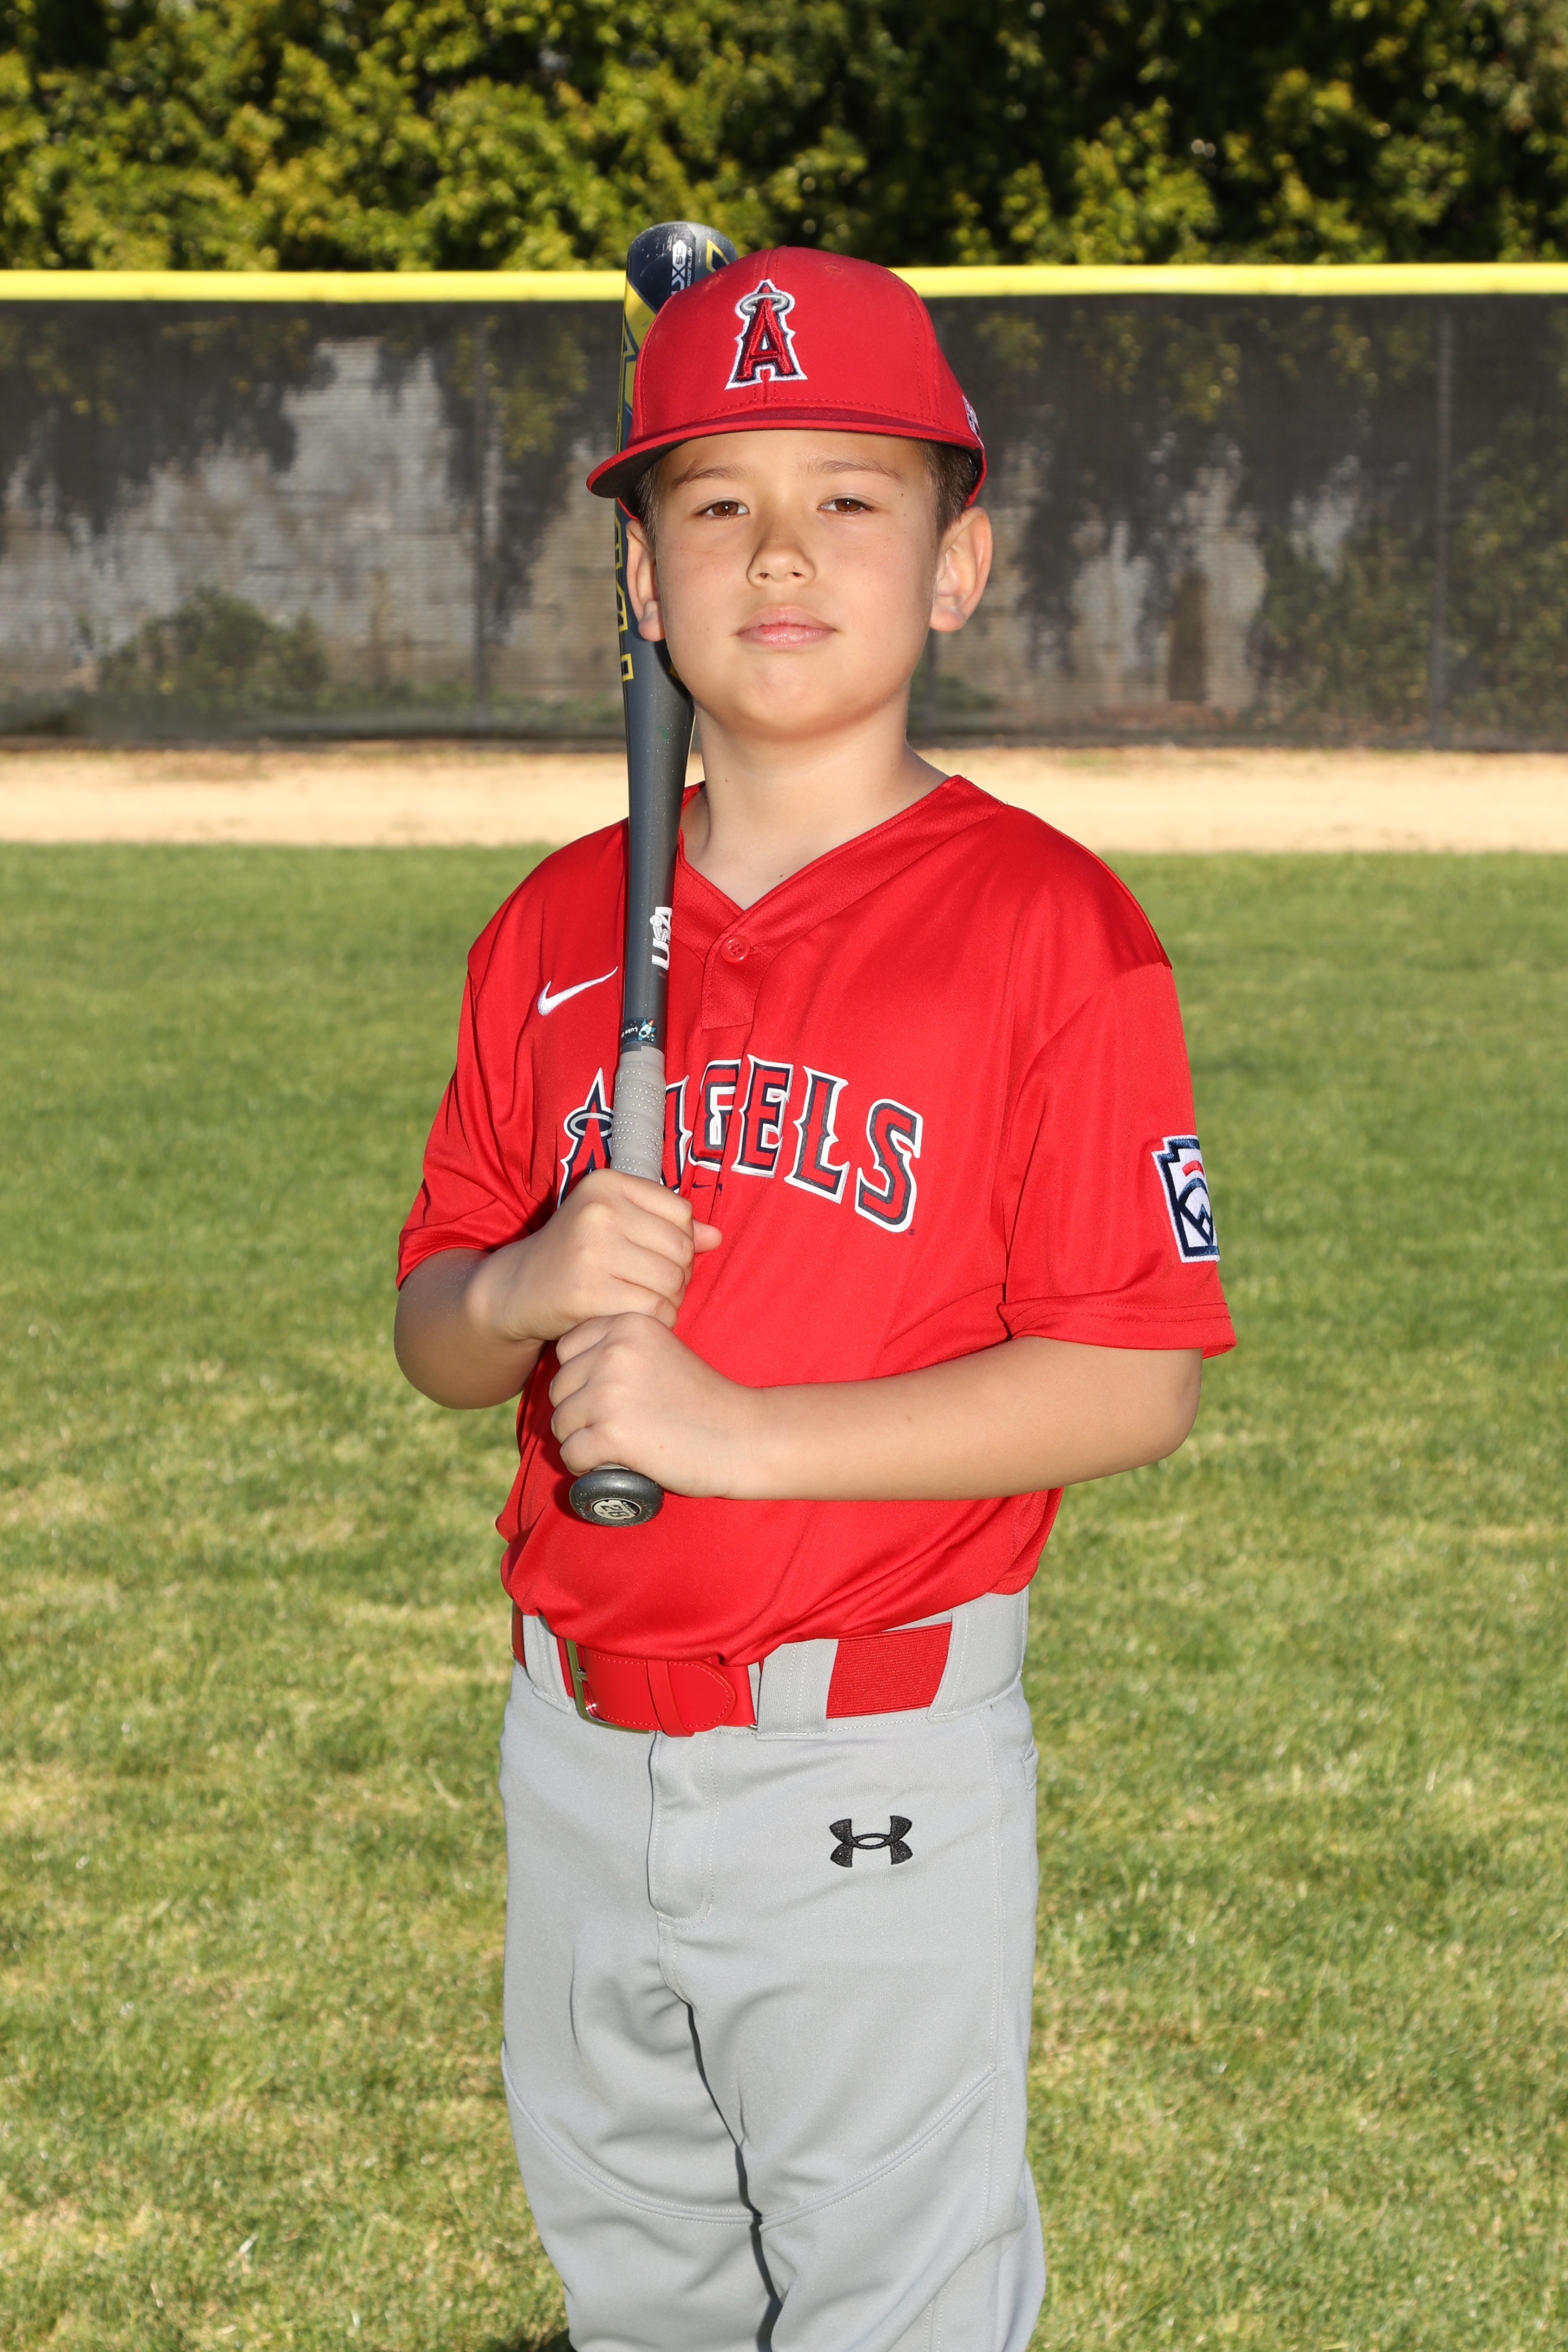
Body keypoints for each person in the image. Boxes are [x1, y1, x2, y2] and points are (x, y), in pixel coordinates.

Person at [394, 248, 1234, 2352]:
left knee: (891, 2305)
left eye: (849, 499)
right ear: (642, 582)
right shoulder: (553, 932)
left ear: (957, 567)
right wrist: (525, 1284)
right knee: (643, 2290)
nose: (779, 552)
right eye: (716, 503)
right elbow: (432, 1329)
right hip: (575, 1744)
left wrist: (736, 1435)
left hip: (872, 1757)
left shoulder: (1052, 930)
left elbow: (1133, 1377)